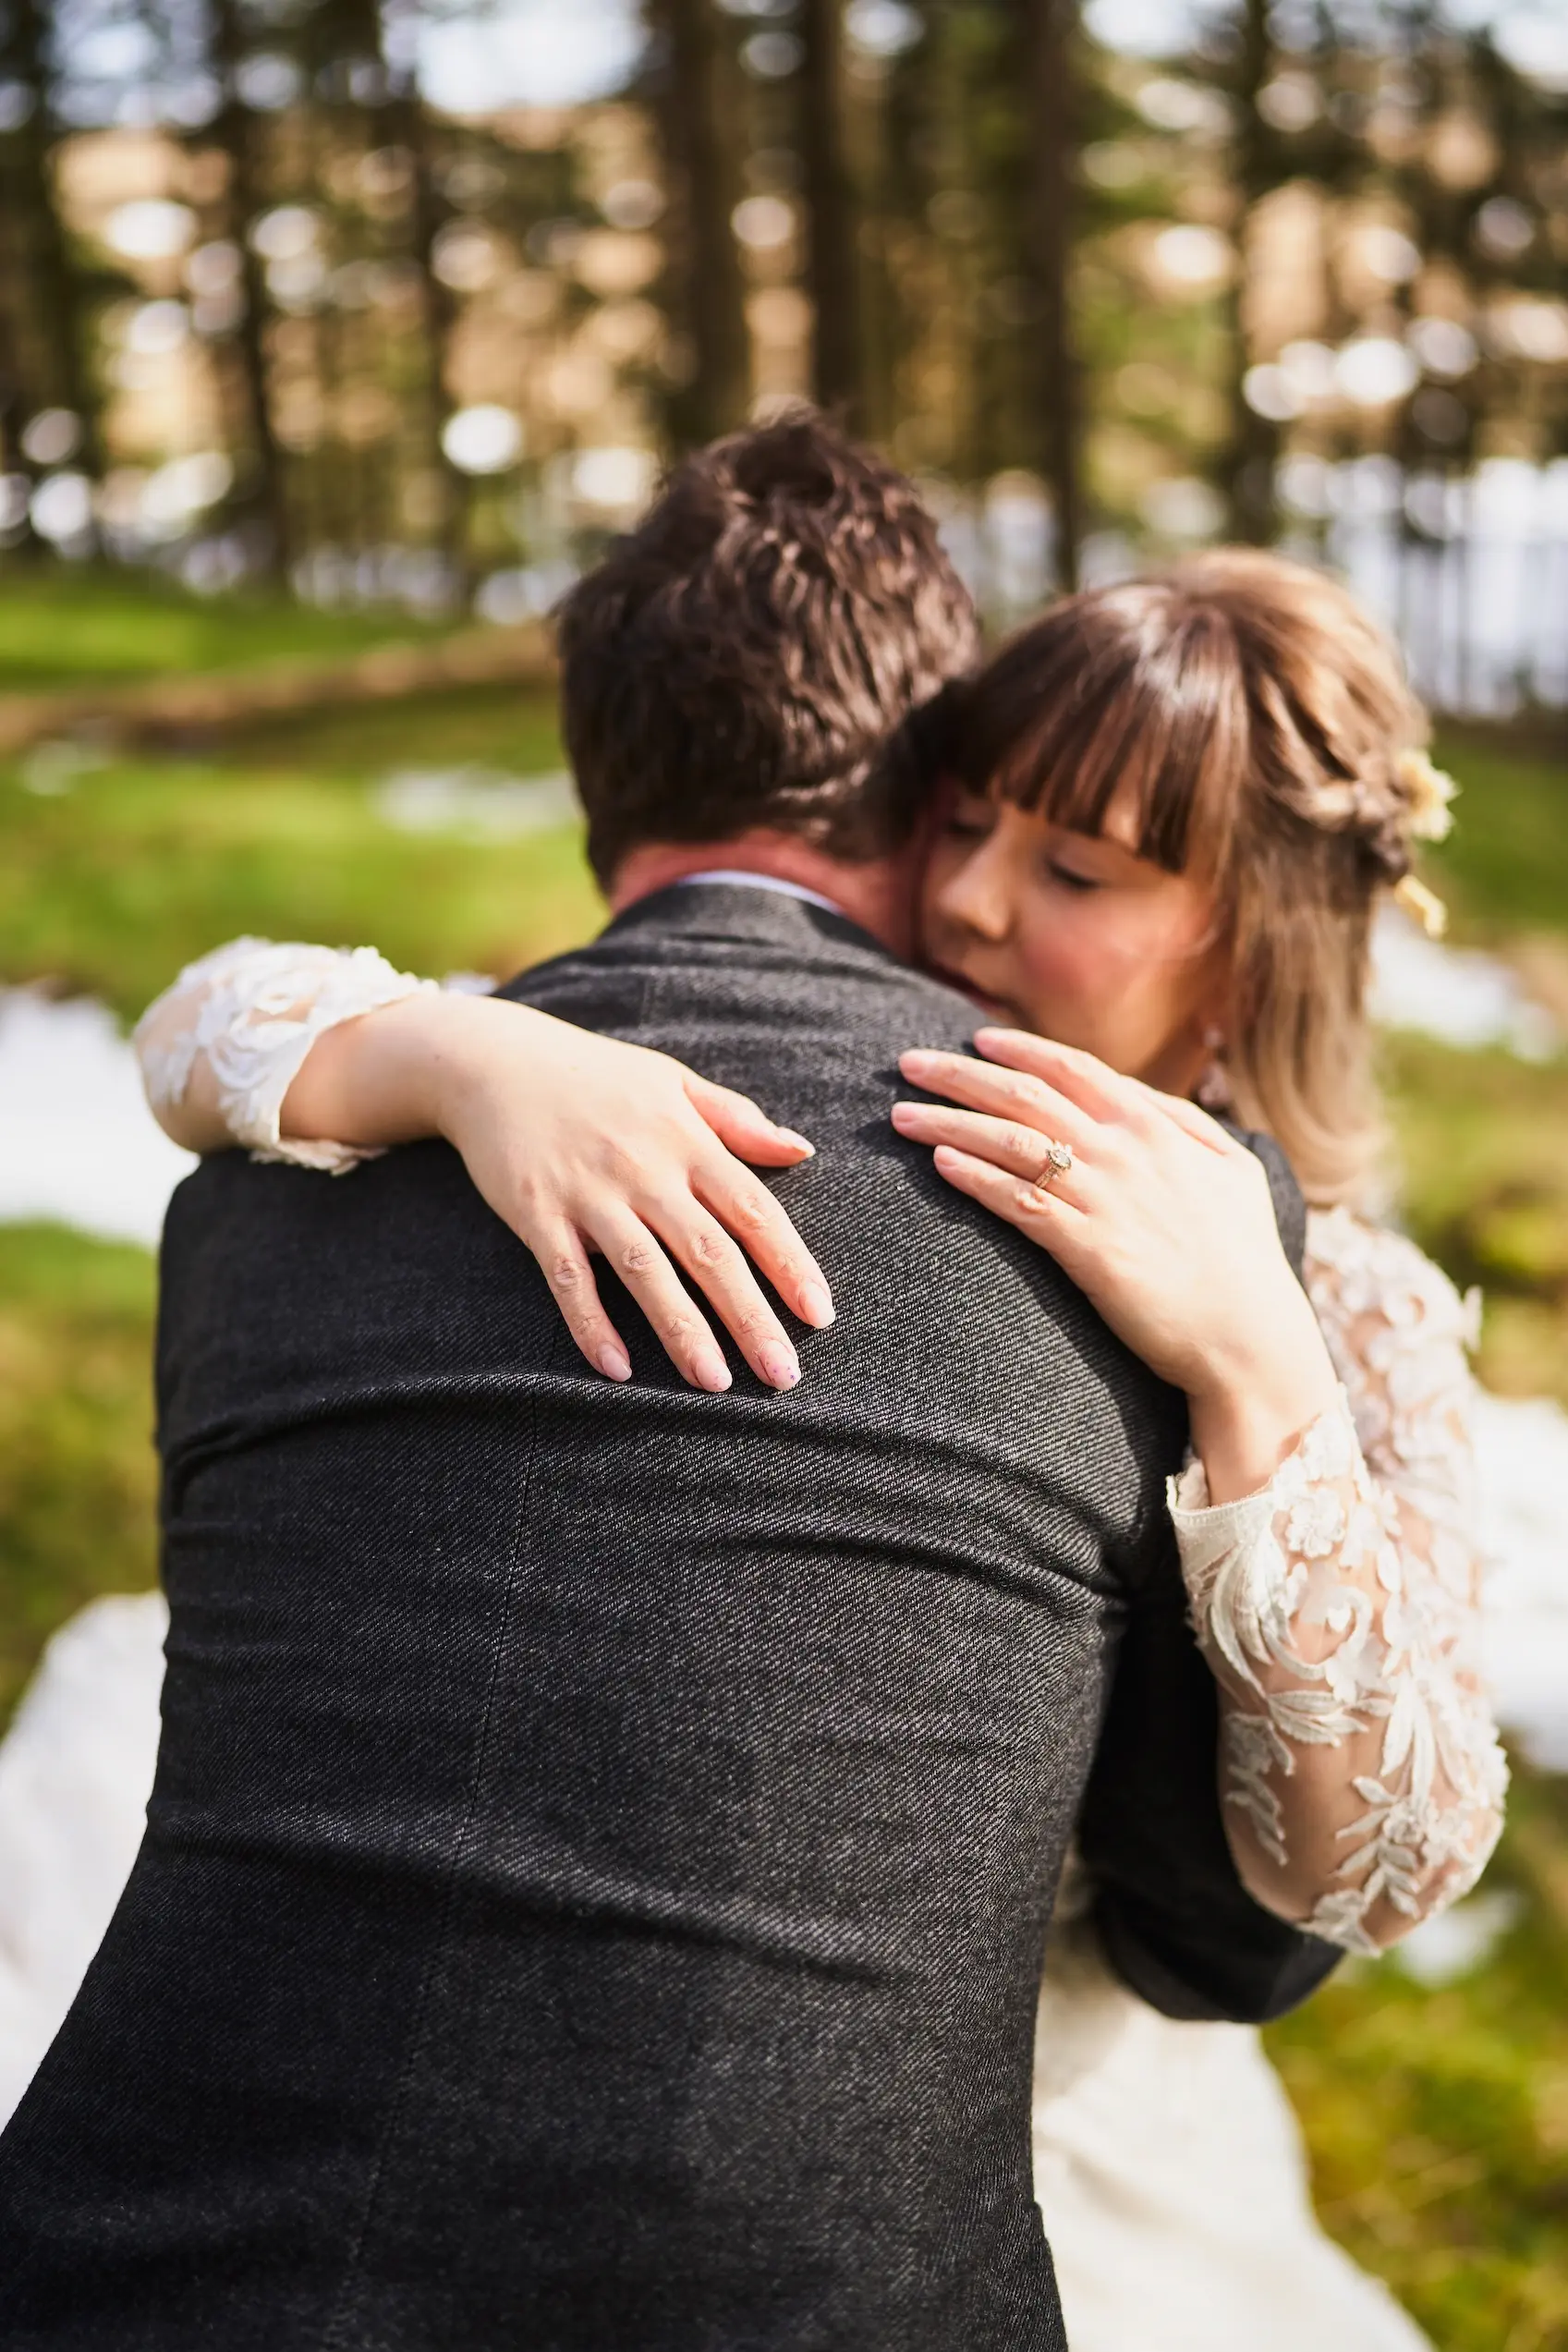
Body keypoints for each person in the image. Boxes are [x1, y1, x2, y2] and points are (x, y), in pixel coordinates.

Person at [0, 420, 1343, 2352]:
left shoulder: (265, 1187)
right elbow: (1215, 1927)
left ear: (589, 790)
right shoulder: (1133, 1203)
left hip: (131, 2277)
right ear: (928, 791)